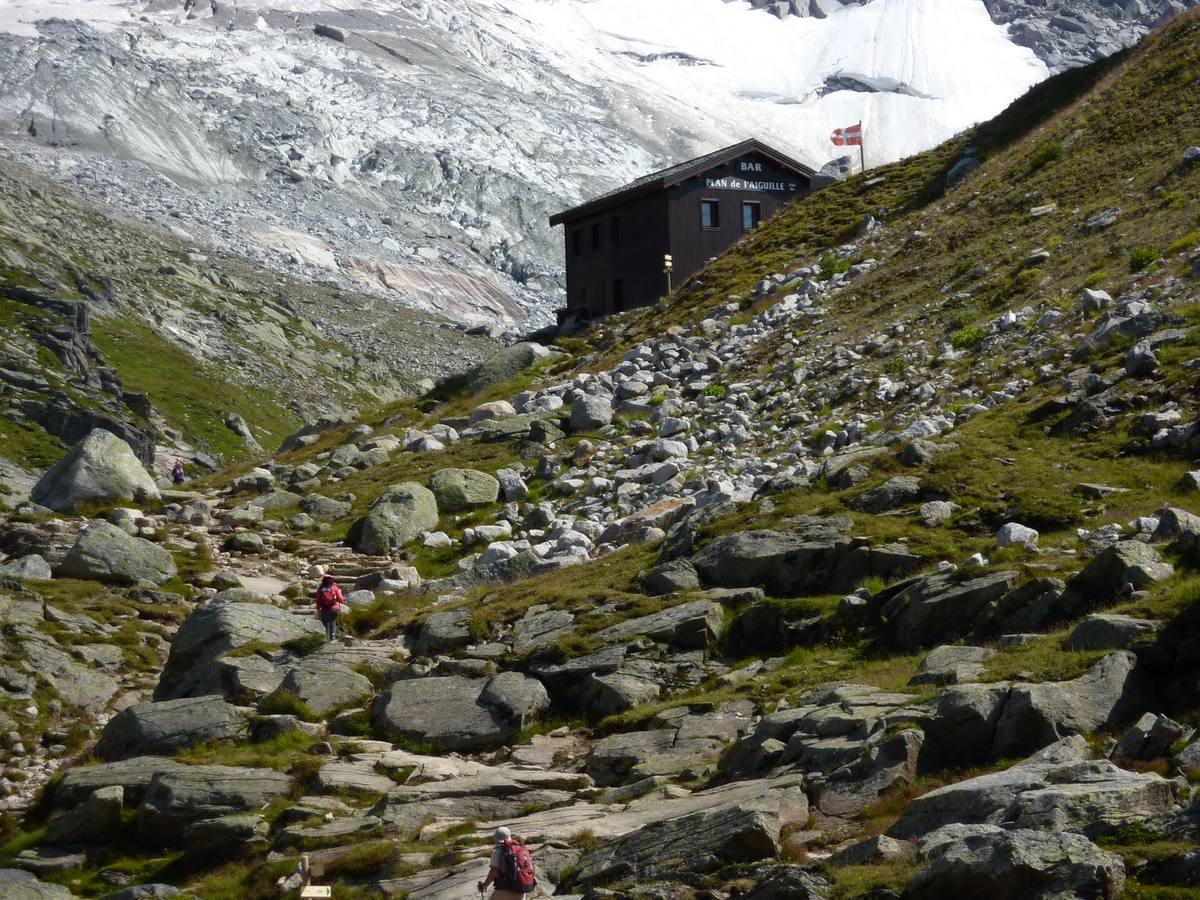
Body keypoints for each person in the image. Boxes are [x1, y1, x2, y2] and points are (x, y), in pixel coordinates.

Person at [478, 826, 536, 899]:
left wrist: (484, 885)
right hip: (521, 890)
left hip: (505, 889)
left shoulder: (497, 851)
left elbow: (493, 871)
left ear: (496, 839)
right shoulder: (521, 848)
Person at [314, 573, 345, 641]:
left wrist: (318, 610)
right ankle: (333, 637)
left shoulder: (320, 588)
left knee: (326, 624)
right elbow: (341, 599)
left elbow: (318, 600)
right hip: (334, 608)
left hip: (324, 609)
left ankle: (327, 638)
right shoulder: (334, 587)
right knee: (333, 621)